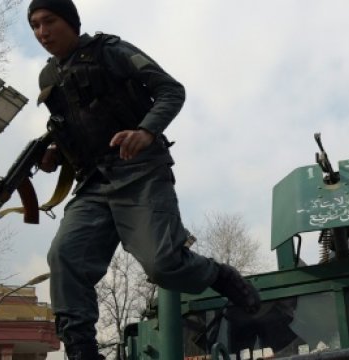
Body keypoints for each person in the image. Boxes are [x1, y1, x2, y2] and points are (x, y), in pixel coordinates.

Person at [26, 1, 260, 358]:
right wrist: (54, 156)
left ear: (71, 22)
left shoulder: (111, 51)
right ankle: (81, 349)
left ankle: (219, 276)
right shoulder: (48, 78)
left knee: (164, 264)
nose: (42, 33)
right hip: (93, 183)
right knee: (64, 255)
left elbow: (171, 90)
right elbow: (70, 133)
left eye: (49, 22)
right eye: (35, 26)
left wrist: (146, 131)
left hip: (141, 172)